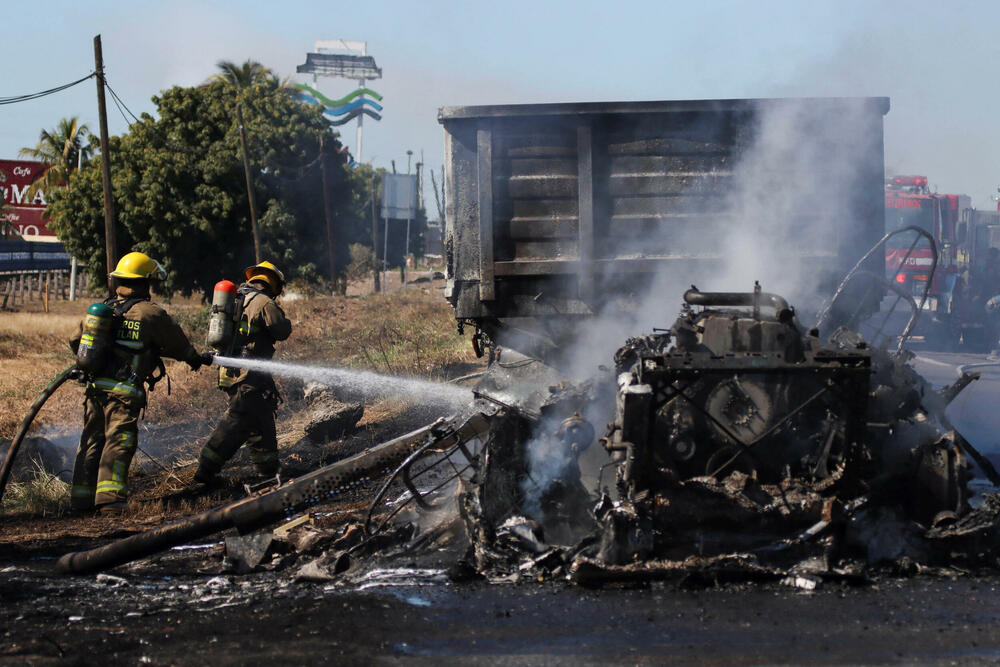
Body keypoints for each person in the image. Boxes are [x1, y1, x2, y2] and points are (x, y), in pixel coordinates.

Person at [70, 251, 211, 514]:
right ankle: (110, 500)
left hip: (95, 388)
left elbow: (76, 342)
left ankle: (80, 500)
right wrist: (194, 358)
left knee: (91, 440)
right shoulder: (150, 313)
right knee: (119, 440)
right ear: (145, 282)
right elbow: (178, 343)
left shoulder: (102, 310)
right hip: (124, 391)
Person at [194, 261, 292, 484]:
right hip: (248, 374)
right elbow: (281, 330)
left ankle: (268, 469)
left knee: (261, 416)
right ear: (273, 283)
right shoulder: (263, 302)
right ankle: (206, 467)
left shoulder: (237, 298)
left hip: (232, 371)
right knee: (238, 418)